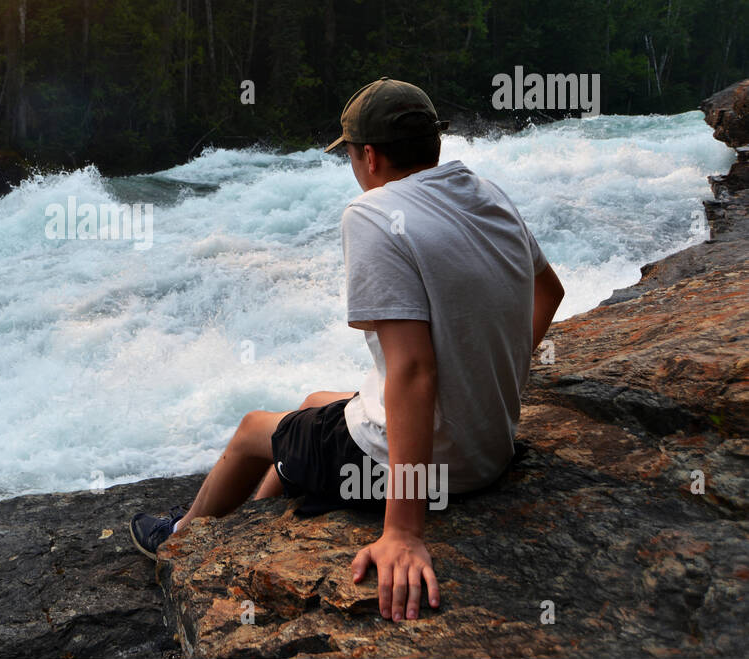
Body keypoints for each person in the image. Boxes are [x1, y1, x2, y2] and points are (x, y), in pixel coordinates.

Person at [130, 77, 565, 622]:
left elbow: (411, 371)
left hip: (430, 471)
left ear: (371, 156)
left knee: (248, 432)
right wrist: (486, 377)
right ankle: (254, 523)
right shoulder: (487, 192)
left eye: (352, 157)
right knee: (315, 402)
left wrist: (403, 531)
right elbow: (549, 292)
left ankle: (180, 541)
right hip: (490, 452)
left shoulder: (375, 214)